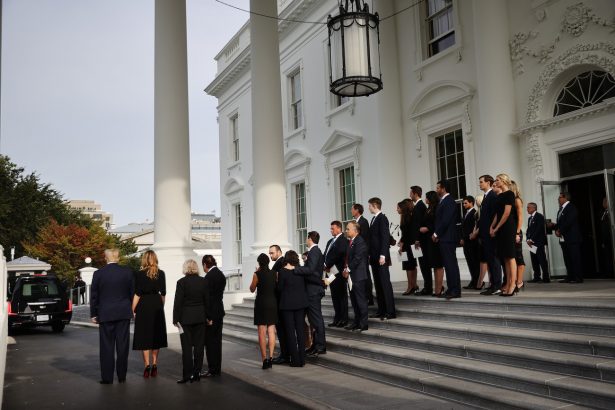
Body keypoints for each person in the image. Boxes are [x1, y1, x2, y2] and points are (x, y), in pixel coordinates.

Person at [90, 248, 134, 384]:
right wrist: (132, 310)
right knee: (123, 346)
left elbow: (94, 296)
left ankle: (107, 378)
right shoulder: (127, 272)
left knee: (106, 347)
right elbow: (132, 292)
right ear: (118, 258)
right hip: (123, 313)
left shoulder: (98, 274)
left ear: (106, 258)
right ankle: (122, 376)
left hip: (105, 313)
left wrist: (93, 314)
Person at [132, 250, 168, 378]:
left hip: (144, 305)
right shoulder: (161, 273)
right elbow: (163, 293)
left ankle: (147, 365)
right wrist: (160, 306)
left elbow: (137, 293)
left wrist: (132, 309)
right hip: (156, 304)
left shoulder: (139, 274)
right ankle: (155, 364)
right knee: (156, 335)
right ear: (155, 259)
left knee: (144, 335)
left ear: (145, 259)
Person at [173, 259, 209, 383]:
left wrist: (175, 319)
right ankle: (197, 373)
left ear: (185, 268)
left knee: (186, 348)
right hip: (200, 317)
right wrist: (209, 317)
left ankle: (187, 375)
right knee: (199, 347)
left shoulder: (181, 282)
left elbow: (178, 302)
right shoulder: (203, 281)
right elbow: (207, 300)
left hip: (185, 319)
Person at [295, 231, 327, 356]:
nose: (306, 240)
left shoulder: (314, 251)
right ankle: (315, 345)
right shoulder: (315, 251)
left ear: (310, 239)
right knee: (313, 320)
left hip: (313, 290)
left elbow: (311, 269)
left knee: (316, 319)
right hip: (312, 290)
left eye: (307, 238)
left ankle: (320, 346)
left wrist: (296, 269)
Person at [277, 250, 309, 367]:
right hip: (300, 304)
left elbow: (280, 288)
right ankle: (302, 359)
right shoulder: (300, 270)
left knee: (290, 332)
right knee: (300, 331)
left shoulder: (282, 272)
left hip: (287, 305)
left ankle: (295, 360)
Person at [367, 197, 396, 320]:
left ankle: (390, 311)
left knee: (385, 284)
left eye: (369, 205)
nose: (368, 207)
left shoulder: (382, 218)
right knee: (378, 285)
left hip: (381, 257)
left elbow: (385, 237)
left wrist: (383, 255)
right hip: (374, 257)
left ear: (374, 205)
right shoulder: (373, 219)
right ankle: (381, 310)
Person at [490, 174, 517, 296]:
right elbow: (498, 213)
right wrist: (492, 226)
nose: (495, 182)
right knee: (505, 257)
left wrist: (497, 228)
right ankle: (507, 283)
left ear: (504, 181)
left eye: (497, 180)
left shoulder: (510, 194)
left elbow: (506, 213)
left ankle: (513, 284)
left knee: (510, 256)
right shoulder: (499, 195)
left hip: (507, 227)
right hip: (500, 227)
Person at [433, 180, 462, 299]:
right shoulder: (443, 201)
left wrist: (436, 234)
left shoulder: (449, 201)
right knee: (449, 265)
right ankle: (451, 288)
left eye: (438, 187)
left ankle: (455, 290)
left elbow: (445, 220)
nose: (436, 190)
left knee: (451, 265)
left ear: (443, 188)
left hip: (448, 238)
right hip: (445, 238)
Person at [249, 253, 278, 369]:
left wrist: (257, 272)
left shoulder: (257, 274)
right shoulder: (274, 273)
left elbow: (252, 289)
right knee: (271, 331)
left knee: (261, 332)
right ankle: (271, 357)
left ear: (259, 263)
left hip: (261, 304)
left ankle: (264, 359)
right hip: (272, 303)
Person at [549, 192, 583, 283]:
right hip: (564, 239)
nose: (558, 199)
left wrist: (560, 230)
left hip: (572, 238)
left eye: (559, 197)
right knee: (567, 258)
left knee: (575, 258)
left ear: (565, 198)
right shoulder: (561, 210)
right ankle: (570, 276)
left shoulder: (571, 207)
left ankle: (578, 277)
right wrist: (554, 226)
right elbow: (561, 224)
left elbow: (569, 222)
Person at [478, 175, 504, 296]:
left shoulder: (492, 195)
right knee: (489, 259)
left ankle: (497, 285)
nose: (480, 184)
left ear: (488, 183)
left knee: (494, 259)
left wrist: (492, 228)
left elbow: (495, 214)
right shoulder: (486, 196)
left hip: (490, 233)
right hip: (485, 233)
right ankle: (493, 285)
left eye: (481, 182)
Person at [202, 255, 226, 377]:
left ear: (205, 265)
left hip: (211, 313)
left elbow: (208, 299)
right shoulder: (221, 274)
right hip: (219, 311)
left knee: (210, 342)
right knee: (217, 341)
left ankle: (212, 369)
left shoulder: (208, 277)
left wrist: (208, 316)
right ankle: (217, 368)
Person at [343, 221, 369, 332]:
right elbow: (348, 258)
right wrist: (346, 269)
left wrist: (348, 269)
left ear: (355, 230)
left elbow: (357, 258)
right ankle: (356, 322)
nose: (346, 230)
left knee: (360, 300)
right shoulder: (351, 241)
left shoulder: (360, 241)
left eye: (348, 229)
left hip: (358, 276)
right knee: (354, 301)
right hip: (351, 276)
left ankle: (363, 324)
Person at [323, 221, 348, 327]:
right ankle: (337, 318)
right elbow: (326, 254)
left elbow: (338, 254)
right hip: (330, 273)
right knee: (334, 296)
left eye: (333, 228)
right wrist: (324, 264)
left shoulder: (343, 240)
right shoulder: (330, 241)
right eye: (331, 228)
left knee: (341, 296)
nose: (331, 230)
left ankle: (344, 319)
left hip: (338, 272)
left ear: (339, 228)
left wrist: (327, 265)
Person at [419, 191, 444, 296]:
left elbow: (438, 223)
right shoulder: (429, 208)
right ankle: (437, 288)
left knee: (438, 264)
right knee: (434, 264)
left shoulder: (437, 208)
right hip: (429, 240)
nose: (425, 199)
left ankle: (439, 289)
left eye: (427, 197)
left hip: (435, 239)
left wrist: (428, 228)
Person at [410, 186, 433, 296]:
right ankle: (427, 287)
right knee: (422, 264)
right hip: (419, 240)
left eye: (411, 193)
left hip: (420, 241)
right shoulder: (418, 206)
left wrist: (417, 239)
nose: (410, 195)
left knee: (424, 264)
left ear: (415, 194)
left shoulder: (419, 206)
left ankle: (428, 288)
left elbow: (418, 225)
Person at [269, 245, 289, 365]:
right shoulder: (280, 262)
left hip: (281, 302)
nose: (271, 255)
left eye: (272, 253)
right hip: (281, 301)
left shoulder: (281, 263)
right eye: (270, 253)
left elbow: (278, 283)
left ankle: (285, 354)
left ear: (279, 252)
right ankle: (285, 353)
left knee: (282, 330)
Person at [351, 203, 373, 305]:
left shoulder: (363, 222)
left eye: (352, 209)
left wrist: (366, 253)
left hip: (362, 253)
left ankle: (369, 297)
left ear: (357, 210)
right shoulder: (355, 222)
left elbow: (366, 239)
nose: (351, 211)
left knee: (365, 276)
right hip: (356, 253)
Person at [526, 202, 550, 283]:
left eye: (528, 207)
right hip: (531, 243)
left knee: (542, 260)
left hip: (538, 242)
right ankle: (537, 277)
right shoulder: (530, 218)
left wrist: (532, 239)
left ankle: (546, 277)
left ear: (533, 208)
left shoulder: (539, 216)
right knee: (534, 260)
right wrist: (528, 239)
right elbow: (528, 230)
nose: (527, 209)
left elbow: (539, 229)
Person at [398, 199, 418, 295]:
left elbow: (407, 233)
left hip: (408, 245)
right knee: (411, 265)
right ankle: (414, 285)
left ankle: (411, 286)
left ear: (403, 208)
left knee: (409, 266)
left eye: (398, 208)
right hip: (409, 243)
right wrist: (401, 240)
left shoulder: (406, 217)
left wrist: (401, 244)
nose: (397, 210)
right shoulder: (407, 216)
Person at [461, 196, 480, 289]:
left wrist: (466, 238)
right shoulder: (466, 213)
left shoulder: (474, 213)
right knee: (470, 262)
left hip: (472, 242)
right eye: (463, 203)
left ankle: (477, 281)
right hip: (466, 242)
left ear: (471, 203)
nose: (464, 205)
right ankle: (473, 280)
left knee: (474, 262)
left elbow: (473, 228)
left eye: (465, 203)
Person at [511, 181, 526, 292]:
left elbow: (520, 218)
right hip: (510, 232)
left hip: (516, 232)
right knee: (513, 257)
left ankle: (519, 282)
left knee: (518, 256)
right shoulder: (510, 200)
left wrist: (517, 233)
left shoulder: (517, 200)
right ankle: (514, 281)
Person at [599, 197, 613, 277]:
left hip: (611, 238)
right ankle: (609, 272)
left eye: (605, 202)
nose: (603, 203)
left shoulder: (611, 212)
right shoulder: (603, 212)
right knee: (607, 257)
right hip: (606, 239)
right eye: (603, 202)